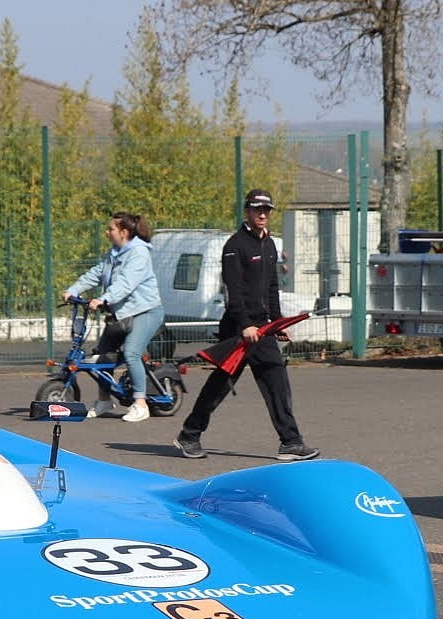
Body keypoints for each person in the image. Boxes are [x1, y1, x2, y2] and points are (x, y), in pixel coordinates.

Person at [176, 190, 315, 461]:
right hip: (239, 330)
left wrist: (277, 323)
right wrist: (244, 326)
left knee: (277, 381)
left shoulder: (270, 245)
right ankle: (189, 435)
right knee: (220, 384)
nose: (262, 214)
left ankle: (291, 442)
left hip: (263, 330)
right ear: (247, 212)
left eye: (266, 210)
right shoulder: (235, 245)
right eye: (257, 209)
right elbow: (234, 292)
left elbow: (272, 288)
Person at [61, 212, 164, 422]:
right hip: (121, 314)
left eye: (111, 229)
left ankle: (141, 404)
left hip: (144, 312)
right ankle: (104, 400)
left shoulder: (139, 253)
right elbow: (95, 274)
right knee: (102, 356)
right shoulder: (113, 254)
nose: (107, 232)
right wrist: (73, 290)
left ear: (124, 232)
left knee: (132, 353)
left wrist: (103, 299)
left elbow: (126, 283)